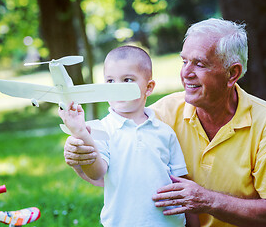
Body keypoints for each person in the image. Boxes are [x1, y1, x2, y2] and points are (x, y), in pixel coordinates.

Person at [63, 18, 266, 226]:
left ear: (232, 73)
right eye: (184, 61)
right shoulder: (158, 115)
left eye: (199, 64)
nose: (185, 73)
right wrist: (79, 158)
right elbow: (116, 176)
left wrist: (209, 201)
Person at [58, 45, 198, 226]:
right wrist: (81, 133)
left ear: (148, 87)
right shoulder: (101, 130)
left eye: (127, 80)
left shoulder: (164, 132)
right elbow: (96, 172)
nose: (117, 88)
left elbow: (182, 184)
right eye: (110, 81)